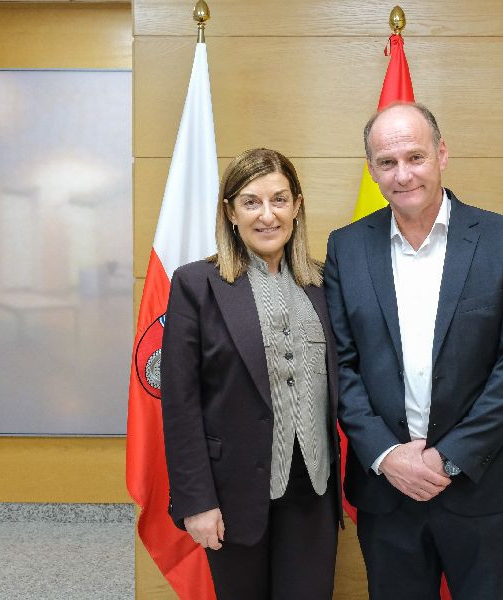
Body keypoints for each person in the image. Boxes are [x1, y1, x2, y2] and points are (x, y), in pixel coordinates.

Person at [324, 102, 503, 599]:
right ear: (371, 170)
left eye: (415, 157)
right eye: (387, 162)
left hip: (484, 488)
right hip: (388, 492)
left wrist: (450, 457)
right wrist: (386, 455)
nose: (402, 175)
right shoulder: (346, 247)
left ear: (441, 154)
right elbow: (341, 365)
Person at [160, 148, 342, 600]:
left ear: (297, 207)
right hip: (233, 494)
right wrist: (196, 501)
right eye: (251, 202)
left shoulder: (323, 284)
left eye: (279, 200)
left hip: (313, 492)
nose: (267, 215)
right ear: (230, 212)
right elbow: (180, 404)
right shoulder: (195, 284)